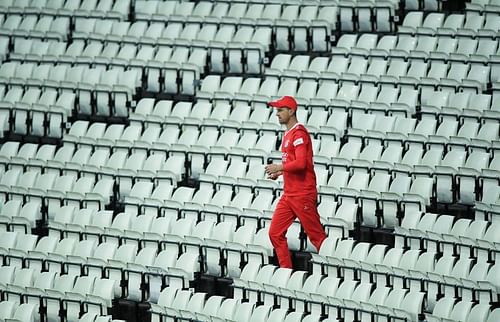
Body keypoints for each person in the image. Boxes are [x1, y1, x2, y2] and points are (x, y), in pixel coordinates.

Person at [264, 95, 327, 269]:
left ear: (291, 111)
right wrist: (280, 173)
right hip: (290, 194)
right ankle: (287, 273)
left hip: (302, 194)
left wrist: (279, 167)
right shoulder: (287, 134)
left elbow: (301, 163)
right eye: (276, 110)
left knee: (317, 237)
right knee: (275, 233)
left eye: (280, 110)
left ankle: (337, 270)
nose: (277, 114)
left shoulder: (299, 133)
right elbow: (293, 163)